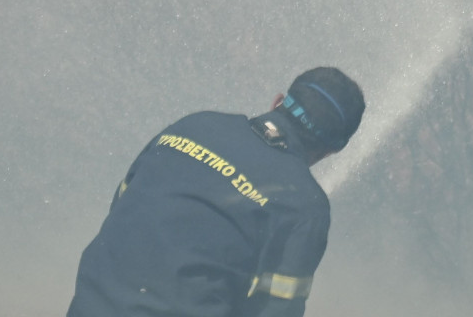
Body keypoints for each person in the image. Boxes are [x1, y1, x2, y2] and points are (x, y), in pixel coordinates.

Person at [68, 67, 365, 317]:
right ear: (334, 150)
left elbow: (122, 204)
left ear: (278, 101)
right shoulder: (305, 206)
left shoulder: (194, 125)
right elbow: (278, 309)